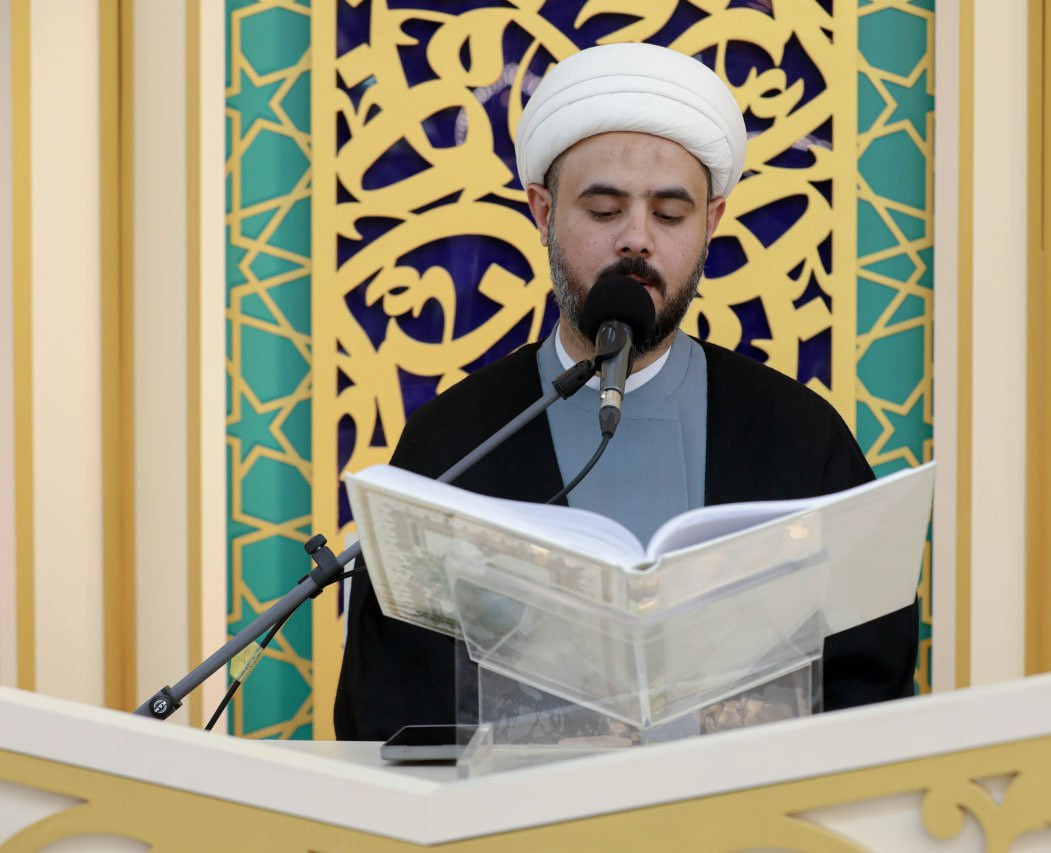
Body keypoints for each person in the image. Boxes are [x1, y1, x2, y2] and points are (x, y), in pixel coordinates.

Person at [334, 42, 918, 741]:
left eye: (670, 215)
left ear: (712, 223)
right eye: (605, 210)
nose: (636, 240)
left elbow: (868, 687)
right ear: (543, 212)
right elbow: (393, 705)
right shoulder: (455, 441)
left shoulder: (798, 435)